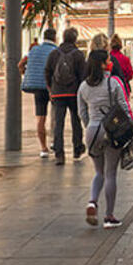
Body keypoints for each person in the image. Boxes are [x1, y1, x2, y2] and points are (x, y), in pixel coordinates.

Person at [78, 49, 133, 230]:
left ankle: (92, 202)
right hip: (111, 131)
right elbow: (124, 106)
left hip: (92, 132)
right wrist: (132, 127)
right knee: (111, 173)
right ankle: (109, 216)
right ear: (103, 64)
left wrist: (90, 126)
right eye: (108, 60)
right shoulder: (113, 82)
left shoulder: (83, 87)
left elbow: (82, 112)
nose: (110, 62)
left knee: (98, 172)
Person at [45, 27, 86, 165]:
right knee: (76, 121)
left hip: (58, 93)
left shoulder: (54, 53)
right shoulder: (78, 54)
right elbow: (83, 76)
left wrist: (51, 89)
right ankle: (77, 149)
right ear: (75, 38)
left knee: (59, 123)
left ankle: (59, 153)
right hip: (74, 93)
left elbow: (47, 71)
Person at [19, 28, 58, 157]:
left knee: (41, 118)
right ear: (55, 38)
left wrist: (26, 73)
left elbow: (20, 64)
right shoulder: (55, 51)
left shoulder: (34, 50)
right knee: (55, 116)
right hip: (51, 88)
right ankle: (54, 142)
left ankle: (43, 148)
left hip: (37, 88)